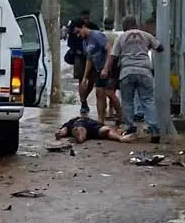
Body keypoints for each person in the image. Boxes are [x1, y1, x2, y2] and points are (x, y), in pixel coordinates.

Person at [104, 14, 164, 142]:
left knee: (127, 101)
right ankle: (154, 130)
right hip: (144, 72)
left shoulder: (121, 37)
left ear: (124, 26)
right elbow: (160, 48)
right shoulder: (146, 35)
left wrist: (109, 74)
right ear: (136, 24)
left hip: (126, 72)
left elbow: (113, 57)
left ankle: (130, 128)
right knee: (147, 100)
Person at [77, 21, 112, 125]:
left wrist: (106, 68)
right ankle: (101, 120)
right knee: (99, 93)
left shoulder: (97, 35)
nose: (78, 35)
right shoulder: (85, 42)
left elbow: (109, 50)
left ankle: (120, 117)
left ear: (83, 27)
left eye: (79, 32)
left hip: (107, 68)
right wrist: (84, 78)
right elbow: (89, 60)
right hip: (98, 70)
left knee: (111, 95)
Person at [67, 9, 100, 114]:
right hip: (80, 56)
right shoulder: (74, 24)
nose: (85, 20)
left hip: (91, 55)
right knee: (81, 79)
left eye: (87, 17)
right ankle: (83, 102)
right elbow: (70, 40)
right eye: (84, 17)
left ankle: (84, 98)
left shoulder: (93, 27)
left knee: (92, 79)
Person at [55, 116, 133, 143]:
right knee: (107, 130)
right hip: (89, 126)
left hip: (82, 126)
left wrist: (59, 133)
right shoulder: (72, 122)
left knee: (106, 130)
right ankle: (120, 138)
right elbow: (64, 130)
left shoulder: (71, 123)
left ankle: (80, 136)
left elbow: (64, 130)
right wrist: (59, 133)